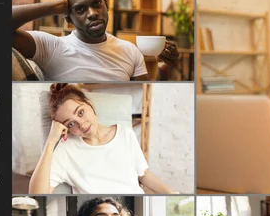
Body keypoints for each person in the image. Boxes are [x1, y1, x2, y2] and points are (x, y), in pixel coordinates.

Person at [12, 0, 182, 81]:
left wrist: (169, 67)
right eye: (80, 9)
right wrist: (56, 6)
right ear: (68, 18)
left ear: (106, 5)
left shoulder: (130, 51)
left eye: (97, 3)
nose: (93, 13)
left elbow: (145, 98)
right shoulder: (51, 47)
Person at [29, 83, 177, 194]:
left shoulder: (125, 133)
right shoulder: (66, 149)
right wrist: (51, 141)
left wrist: (172, 194)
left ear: (89, 104)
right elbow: (37, 194)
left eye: (80, 113)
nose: (82, 124)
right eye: (71, 123)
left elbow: (143, 174)